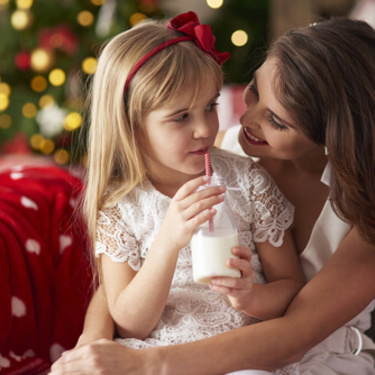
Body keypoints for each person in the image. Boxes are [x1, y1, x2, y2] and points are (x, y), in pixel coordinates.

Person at [50, 16, 375, 375]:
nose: (245, 120)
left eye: (277, 121)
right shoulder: (217, 150)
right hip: (171, 346)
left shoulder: (253, 181)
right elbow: (123, 281)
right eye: (253, 90)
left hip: (286, 356)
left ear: (332, 135)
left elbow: (291, 336)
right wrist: (93, 341)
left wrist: (142, 363)